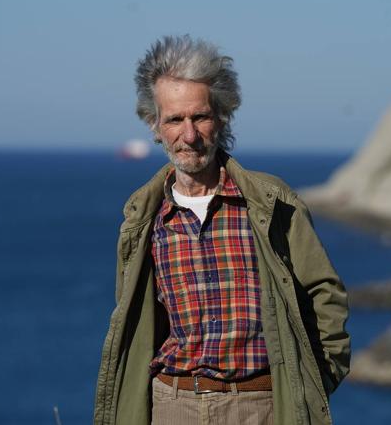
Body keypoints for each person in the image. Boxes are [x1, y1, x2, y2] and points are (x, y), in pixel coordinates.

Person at [93, 35, 350, 425]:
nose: (189, 134)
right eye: (175, 119)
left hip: (260, 406)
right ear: (154, 125)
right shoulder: (143, 219)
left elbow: (323, 293)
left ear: (223, 115)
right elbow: (134, 319)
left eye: (200, 117)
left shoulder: (270, 203)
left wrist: (313, 383)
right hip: (169, 405)